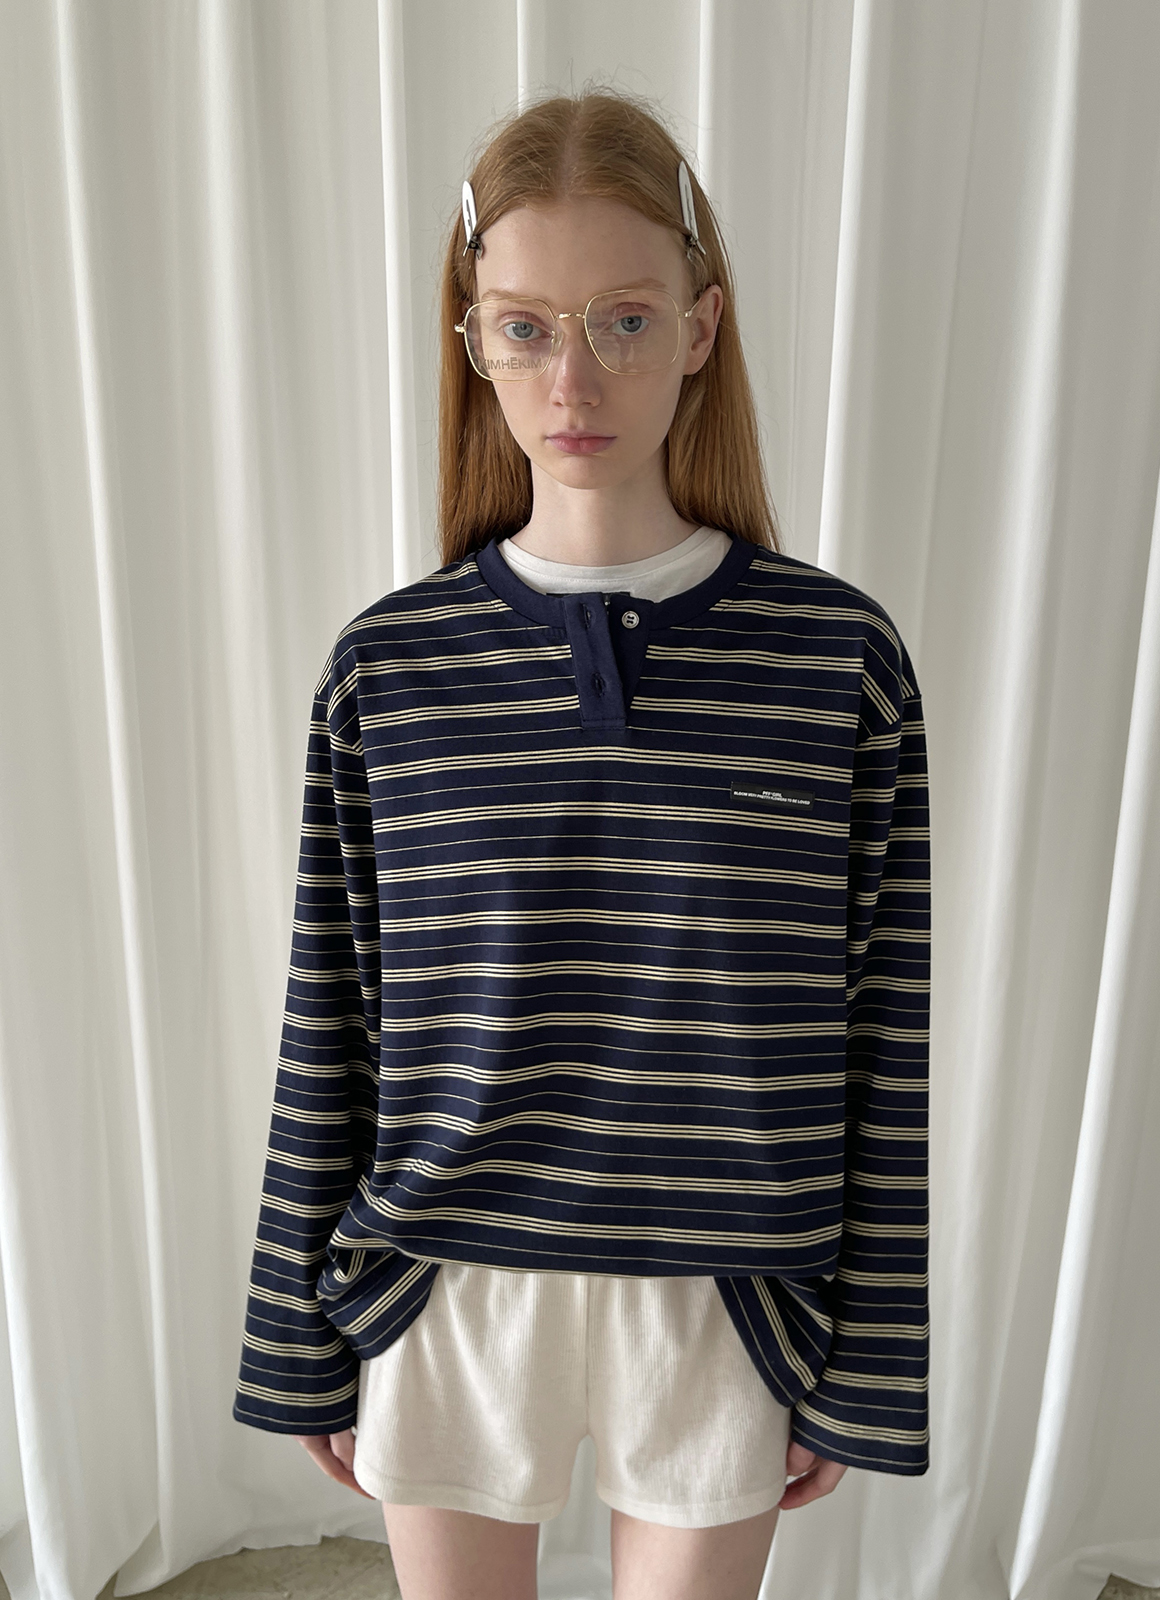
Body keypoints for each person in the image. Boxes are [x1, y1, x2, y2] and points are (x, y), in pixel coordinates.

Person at [232, 86, 930, 1600]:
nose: (574, 376)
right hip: (449, 1281)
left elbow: (882, 1021)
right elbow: (332, 1007)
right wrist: (297, 1334)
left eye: (624, 319)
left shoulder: (835, 660)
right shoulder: (390, 668)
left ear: (701, 327)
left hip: (728, 1288)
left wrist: (869, 1354)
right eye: (526, 327)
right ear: (473, 343)